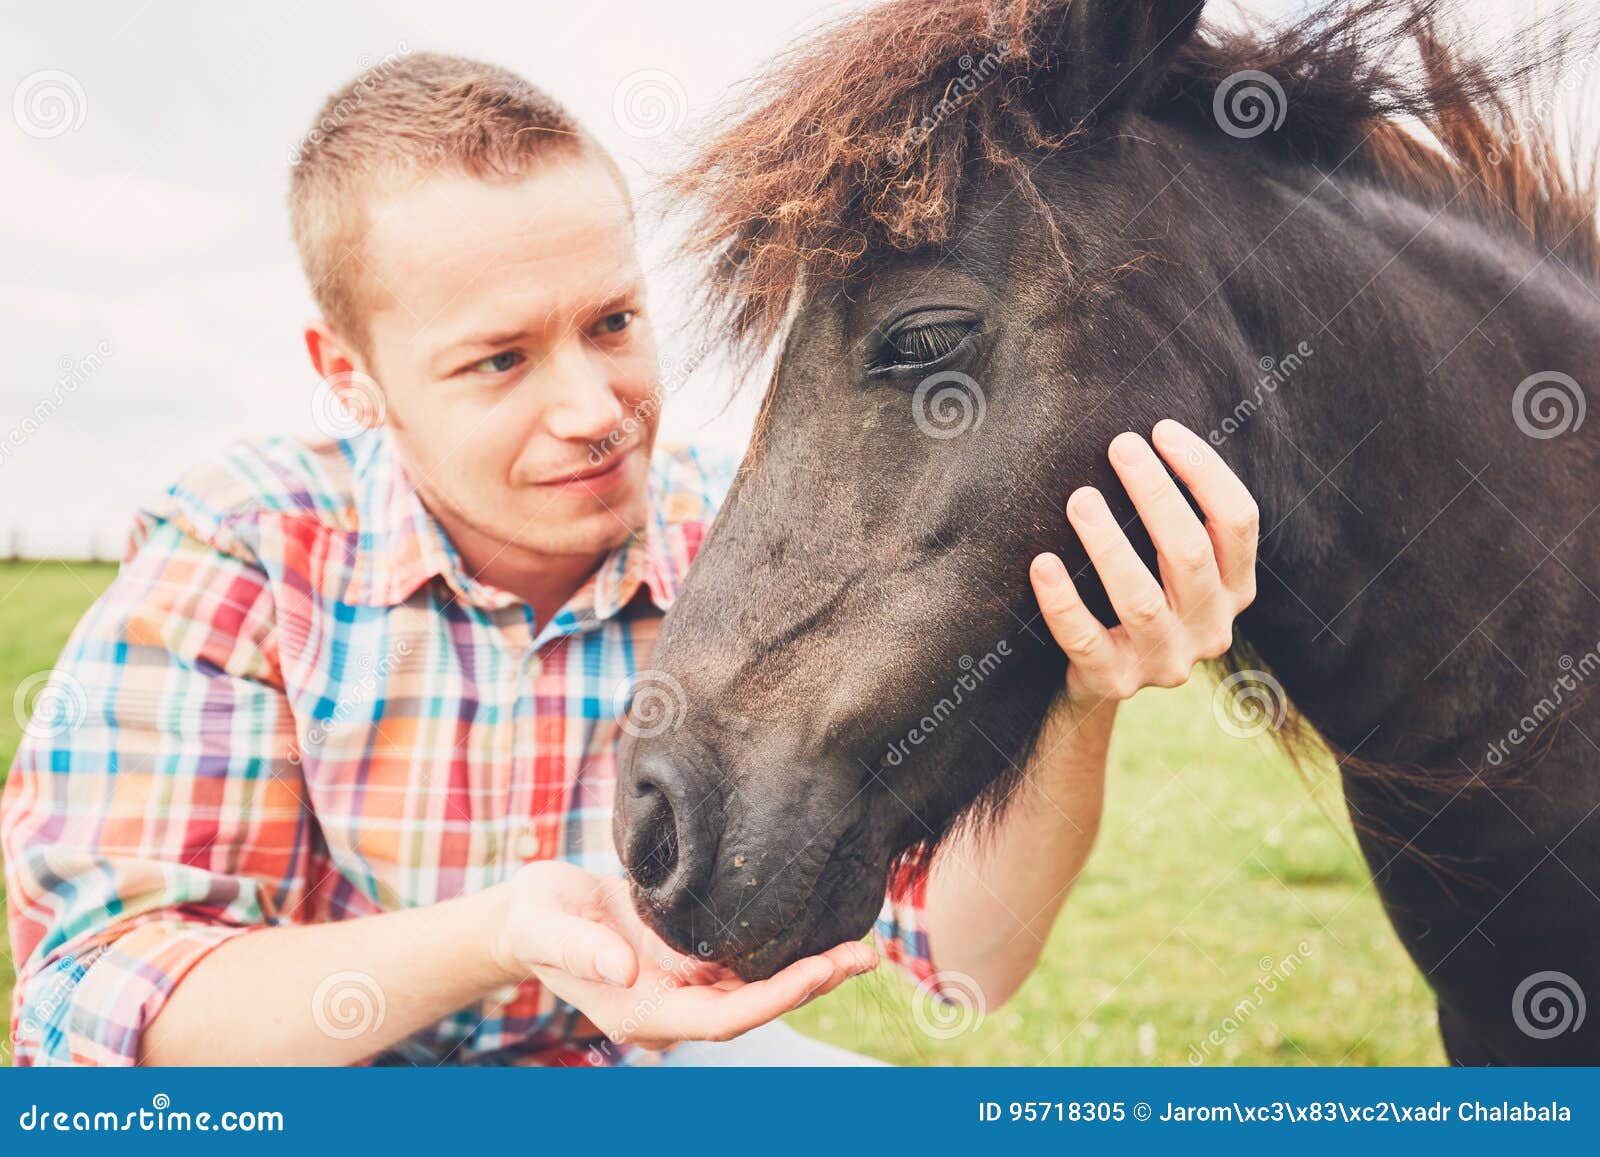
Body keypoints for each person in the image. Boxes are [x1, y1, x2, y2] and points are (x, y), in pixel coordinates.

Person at [1, 54, 1260, 1067]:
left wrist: (1082, 701)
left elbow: (964, 961)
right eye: (500, 359)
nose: (594, 406)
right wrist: (504, 935)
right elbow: (100, 1006)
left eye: (613, 322)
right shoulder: (243, 549)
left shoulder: (759, 546)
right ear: (351, 377)